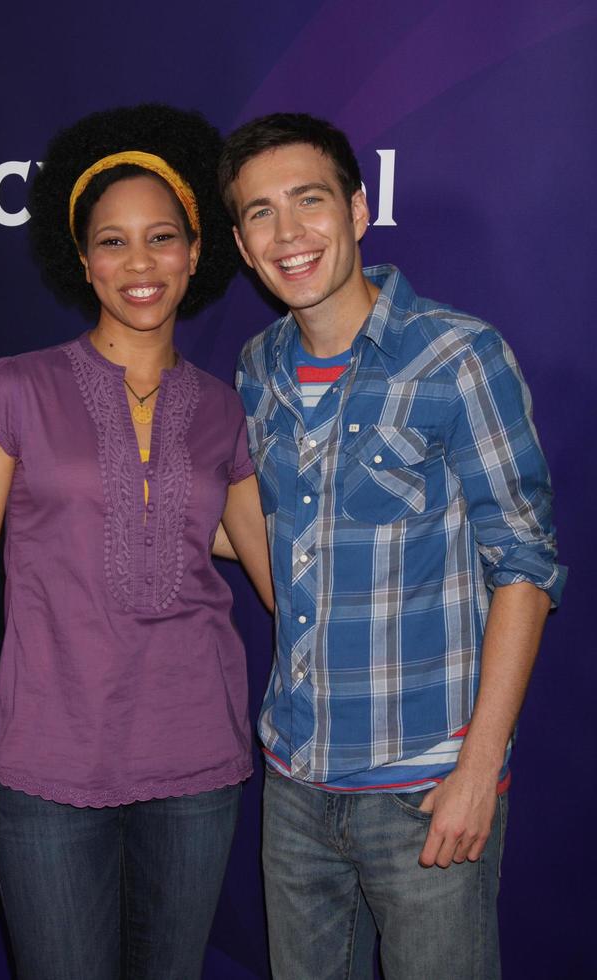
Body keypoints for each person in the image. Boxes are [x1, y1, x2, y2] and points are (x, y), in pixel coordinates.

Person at [218, 112, 566, 980]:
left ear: (359, 209)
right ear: (239, 241)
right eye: (260, 213)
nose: (288, 233)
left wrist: (478, 769)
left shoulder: (457, 356)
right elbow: (267, 531)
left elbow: (524, 564)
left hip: (426, 792)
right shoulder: (257, 368)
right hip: (295, 785)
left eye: (308, 201)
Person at [0, 103, 271, 980]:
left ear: (196, 253)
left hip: (198, 759)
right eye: (113, 241)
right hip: (46, 763)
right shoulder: (8, 392)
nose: (140, 263)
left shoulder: (224, 410)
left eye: (161, 237)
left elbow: (283, 574)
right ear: (83, 260)